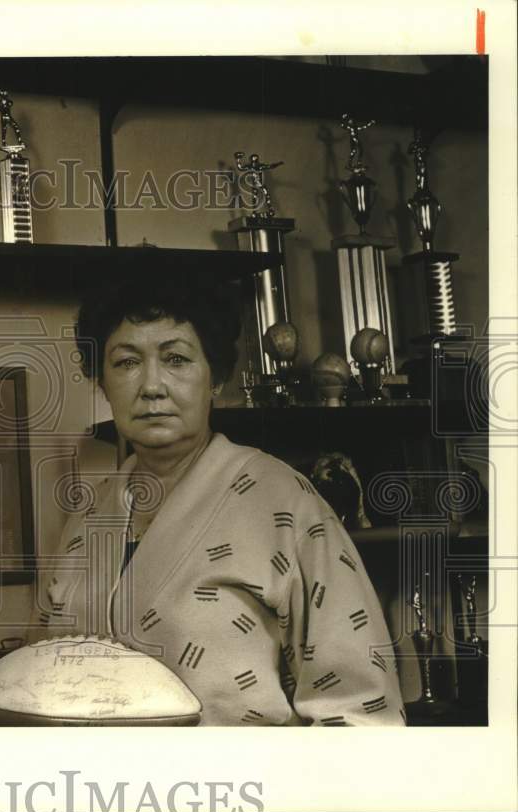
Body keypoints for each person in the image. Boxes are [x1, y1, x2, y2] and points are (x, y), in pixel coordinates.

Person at [29, 273, 405, 726]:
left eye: (176, 359)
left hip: (245, 792)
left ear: (217, 379)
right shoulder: (88, 519)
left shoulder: (284, 502)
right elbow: (41, 677)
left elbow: (360, 712)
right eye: (126, 362)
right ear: (102, 383)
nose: (151, 386)